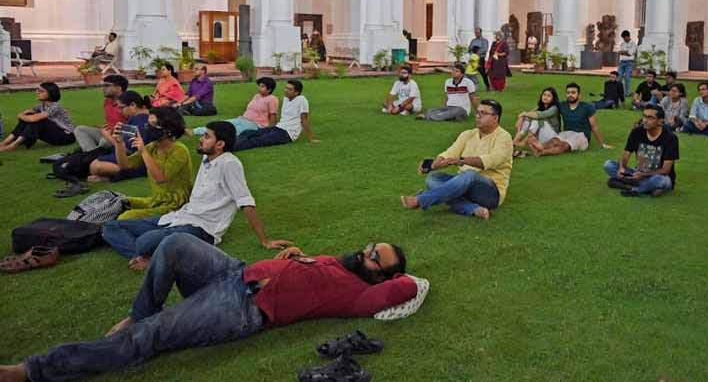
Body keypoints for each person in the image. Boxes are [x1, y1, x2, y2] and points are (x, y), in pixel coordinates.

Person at [0, 235, 416, 382]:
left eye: (374, 257)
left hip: (243, 307)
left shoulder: (361, 295)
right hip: (235, 272)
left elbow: (407, 287)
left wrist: (401, 278)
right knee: (177, 243)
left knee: (151, 336)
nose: (365, 251)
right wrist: (298, 257)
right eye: (370, 245)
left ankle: (33, 370)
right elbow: (314, 269)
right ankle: (140, 310)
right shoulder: (339, 262)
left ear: (379, 276)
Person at [102, 121, 293, 271]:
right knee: (110, 227)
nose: (201, 139)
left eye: (207, 137)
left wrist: (264, 240)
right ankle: (144, 256)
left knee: (145, 241)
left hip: (202, 228)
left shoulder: (229, 164)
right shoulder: (207, 157)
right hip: (179, 216)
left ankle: (151, 255)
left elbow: (246, 202)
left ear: (220, 144)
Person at [402, 99, 512, 220]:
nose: (478, 116)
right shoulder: (468, 134)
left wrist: (462, 160)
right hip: (463, 185)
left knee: (470, 174)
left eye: (483, 113)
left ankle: (421, 200)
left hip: (490, 193)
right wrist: (431, 165)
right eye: (478, 112)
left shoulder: (504, 137)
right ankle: (474, 209)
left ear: (495, 118)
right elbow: (450, 153)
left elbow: (493, 160)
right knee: (433, 179)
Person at [107, 106, 193, 221]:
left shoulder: (179, 150)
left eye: (152, 124)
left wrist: (143, 150)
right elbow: (125, 165)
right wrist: (118, 144)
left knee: (126, 217)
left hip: (176, 204)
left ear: (167, 129)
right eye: (148, 123)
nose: (147, 127)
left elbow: (160, 178)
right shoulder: (153, 146)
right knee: (118, 200)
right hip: (157, 200)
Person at [604, 105, 679, 197]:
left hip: (659, 176)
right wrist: (621, 168)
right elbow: (625, 155)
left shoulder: (670, 138)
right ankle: (648, 189)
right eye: (644, 116)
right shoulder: (636, 132)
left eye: (650, 118)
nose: (645, 120)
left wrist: (644, 175)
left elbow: (666, 170)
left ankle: (631, 188)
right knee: (608, 165)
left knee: (659, 180)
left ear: (660, 121)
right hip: (638, 174)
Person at [88, 91, 159, 181]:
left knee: (95, 166)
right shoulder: (143, 117)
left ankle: (125, 174)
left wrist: (108, 137)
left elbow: (129, 150)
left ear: (133, 105)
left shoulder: (140, 121)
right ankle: (110, 176)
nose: (119, 111)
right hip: (143, 157)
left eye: (121, 108)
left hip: (140, 161)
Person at [235, 80, 318, 151]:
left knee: (257, 140)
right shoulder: (286, 98)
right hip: (278, 127)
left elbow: (304, 119)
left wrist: (311, 138)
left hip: (287, 133)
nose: (286, 90)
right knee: (248, 132)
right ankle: (231, 143)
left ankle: (231, 148)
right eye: (286, 88)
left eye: (290, 89)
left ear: (297, 92)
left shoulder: (302, 100)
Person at [532, 83, 612, 156]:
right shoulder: (562, 105)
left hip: (581, 135)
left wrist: (602, 144)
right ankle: (539, 147)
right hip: (567, 133)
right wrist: (527, 114)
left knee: (563, 145)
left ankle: (542, 152)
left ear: (579, 95)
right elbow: (546, 109)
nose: (570, 95)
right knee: (554, 141)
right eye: (568, 93)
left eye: (573, 93)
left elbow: (594, 127)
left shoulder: (587, 107)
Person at [188, 77, 279, 138]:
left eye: (262, 86)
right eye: (259, 86)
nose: (259, 88)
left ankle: (210, 136)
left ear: (269, 89)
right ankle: (195, 131)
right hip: (242, 119)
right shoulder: (257, 96)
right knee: (222, 124)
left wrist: (269, 131)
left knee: (230, 131)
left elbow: (273, 115)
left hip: (255, 124)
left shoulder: (272, 99)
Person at [0, 83, 75, 152]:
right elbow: (25, 114)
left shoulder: (56, 107)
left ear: (51, 93)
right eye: (37, 90)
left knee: (39, 120)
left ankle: (13, 146)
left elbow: (32, 118)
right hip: (54, 135)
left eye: (41, 91)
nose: (37, 92)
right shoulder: (40, 106)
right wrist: (24, 116)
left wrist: (23, 116)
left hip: (66, 137)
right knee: (30, 116)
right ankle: (4, 143)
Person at [73, 74, 129, 152]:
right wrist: (103, 128)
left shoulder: (128, 103)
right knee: (80, 129)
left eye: (107, 86)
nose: (103, 89)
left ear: (118, 88)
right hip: (107, 133)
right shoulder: (107, 101)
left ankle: (91, 155)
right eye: (103, 86)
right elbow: (111, 121)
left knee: (104, 142)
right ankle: (91, 154)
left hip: (121, 137)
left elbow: (134, 129)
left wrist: (110, 133)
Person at [513, 87, 561, 157]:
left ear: (553, 99)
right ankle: (516, 140)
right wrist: (521, 117)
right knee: (530, 116)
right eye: (544, 95)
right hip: (541, 136)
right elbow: (528, 115)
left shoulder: (554, 108)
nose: (545, 97)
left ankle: (527, 140)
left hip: (552, 137)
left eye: (549, 96)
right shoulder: (539, 107)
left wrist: (523, 114)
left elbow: (540, 115)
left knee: (536, 118)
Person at [616, 30, 638, 95]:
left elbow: (630, 53)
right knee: (618, 77)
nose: (624, 39)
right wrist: (626, 52)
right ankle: (617, 92)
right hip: (622, 62)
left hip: (629, 63)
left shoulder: (633, 44)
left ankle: (627, 92)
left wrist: (624, 52)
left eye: (624, 38)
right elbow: (619, 52)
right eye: (623, 38)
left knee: (627, 78)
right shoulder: (622, 43)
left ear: (628, 36)